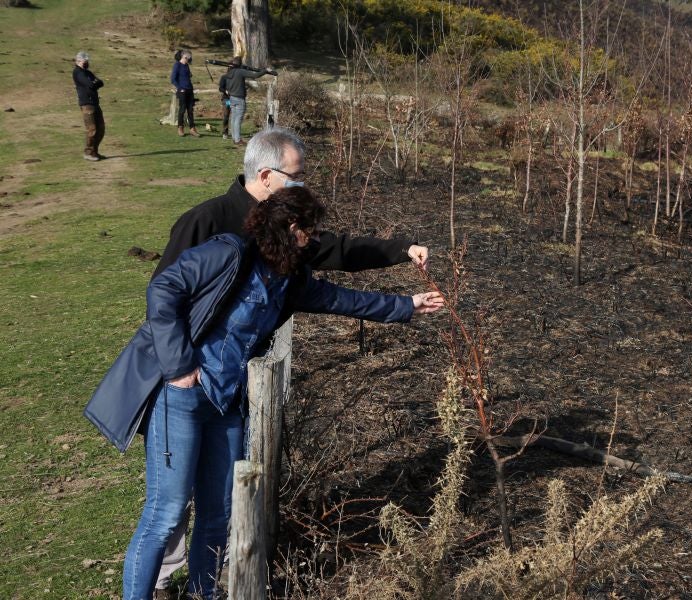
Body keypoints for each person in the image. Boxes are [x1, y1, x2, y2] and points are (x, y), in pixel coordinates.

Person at [84, 186, 445, 600]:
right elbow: (164, 290)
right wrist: (180, 365)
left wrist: (406, 306)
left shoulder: (291, 279)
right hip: (181, 399)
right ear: (292, 229)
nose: (315, 239)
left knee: (219, 513)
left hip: (227, 404)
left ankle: (204, 594)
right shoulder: (228, 254)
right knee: (166, 513)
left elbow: (342, 299)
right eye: (310, 230)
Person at [149, 125, 428, 598]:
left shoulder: (290, 227)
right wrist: (180, 370)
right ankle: (160, 580)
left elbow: (337, 255)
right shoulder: (207, 221)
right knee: (172, 504)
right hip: (184, 387)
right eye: (296, 175)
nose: (304, 183)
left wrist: (399, 251)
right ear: (266, 175)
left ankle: (208, 584)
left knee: (219, 502)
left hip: (233, 388)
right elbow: (162, 296)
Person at [219, 56, 274, 145]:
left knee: (233, 118)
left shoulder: (228, 74)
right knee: (238, 119)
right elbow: (255, 75)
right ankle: (237, 139)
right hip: (239, 99)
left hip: (231, 98)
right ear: (240, 64)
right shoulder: (240, 72)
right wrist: (265, 70)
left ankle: (234, 137)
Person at [72, 51, 105, 161]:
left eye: (87, 61)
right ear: (78, 61)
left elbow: (101, 82)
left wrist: (95, 83)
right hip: (87, 104)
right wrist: (95, 83)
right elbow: (91, 84)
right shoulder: (78, 72)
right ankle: (88, 153)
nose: (86, 63)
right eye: (84, 61)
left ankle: (94, 151)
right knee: (92, 129)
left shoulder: (88, 73)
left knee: (101, 129)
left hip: (95, 103)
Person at [170, 49, 199, 138]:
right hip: (182, 91)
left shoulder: (186, 65)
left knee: (190, 110)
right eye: (189, 58)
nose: (190, 60)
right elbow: (173, 79)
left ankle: (192, 129)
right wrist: (180, 88)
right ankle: (180, 127)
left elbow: (187, 76)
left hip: (190, 90)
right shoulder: (177, 65)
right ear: (184, 57)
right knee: (182, 110)